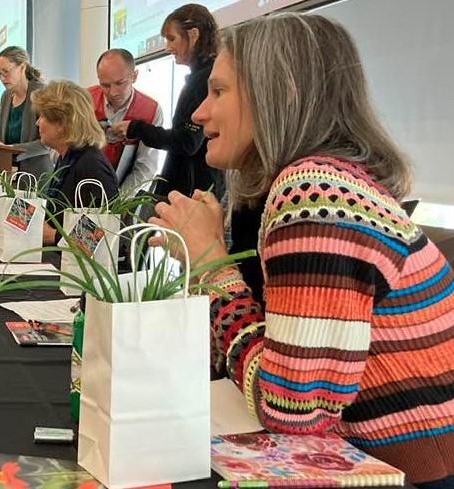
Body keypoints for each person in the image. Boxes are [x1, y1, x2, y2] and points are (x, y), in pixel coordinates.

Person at [151, 14, 454, 487]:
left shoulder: (315, 193)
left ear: (281, 92)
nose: (198, 113)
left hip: (408, 471)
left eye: (220, 91)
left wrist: (211, 265)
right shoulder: (327, 182)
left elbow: (291, 409)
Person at [112, 4, 225, 201]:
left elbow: (187, 142)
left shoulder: (203, 81)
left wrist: (137, 128)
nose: (167, 47)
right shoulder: (199, 79)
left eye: (172, 39)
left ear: (193, 35)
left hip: (191, 192)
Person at [31, 81, 118, 245]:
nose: (37, 123)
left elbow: (102, 235)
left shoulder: (91, 166)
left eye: (42, 116)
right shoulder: (68, 157)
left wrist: (53, 236)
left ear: (62, 123)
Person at [88, 49, 164, 194]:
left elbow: (145, 167)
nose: (113, 92)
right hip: (82, 191)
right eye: (105, 85)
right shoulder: (85, 100)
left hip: (124, 193)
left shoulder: (151, 110)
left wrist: (119, 201)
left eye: (120, 83)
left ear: (134, 76)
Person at [0, 46, 53, 179]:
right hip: (9, 174)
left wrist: (10, 148)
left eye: (6, 71)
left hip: (37, 176)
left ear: (22, 67)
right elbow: (1, 139)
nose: (2, 78)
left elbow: (47, 144)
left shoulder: (42, 93)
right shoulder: (6, 96)